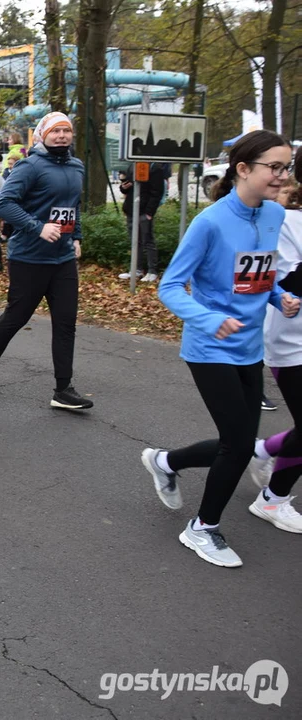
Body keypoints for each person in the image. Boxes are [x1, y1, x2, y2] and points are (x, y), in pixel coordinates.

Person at [140, 130, 299, 567]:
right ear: (243, 169)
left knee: (243, 443)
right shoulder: (210, 221)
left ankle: (165, 461)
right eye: (275, 167)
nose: (283, 176)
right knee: (237, 443)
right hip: (209, 347)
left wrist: (276, 297)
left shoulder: (272, 216)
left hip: (250, 345)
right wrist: (211, 319)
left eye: (287, 167)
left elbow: (255, 277)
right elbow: (170, 287)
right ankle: (202, 528)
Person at [0, 112, 91, 411]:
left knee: (66, 324)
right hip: (29, 257)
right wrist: (37, 227)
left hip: (63, 258)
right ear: (43, 135)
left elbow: (72, 207)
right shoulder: (31, 166)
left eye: (67, 130)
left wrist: (76, 237)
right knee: (17, 317)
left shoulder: (77, 166)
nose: (62, 136)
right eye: (56, 131)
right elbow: (4, 204)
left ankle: (63, 389)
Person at [246, 160, 302, 532]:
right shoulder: (286, 221)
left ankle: (264, 450)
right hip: (292, 340)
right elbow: (282, 285)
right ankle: (272, 500)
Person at [118, 161, 168, 282]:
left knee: (148, 240)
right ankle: (136, 269)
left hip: (144, 211)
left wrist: (149, 212)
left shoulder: (155, 167)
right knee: (135, 241)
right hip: (131, 209)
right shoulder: (133, 164)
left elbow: (157, 192)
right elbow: (128, 185)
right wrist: (123, 188)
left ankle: (152, 271)